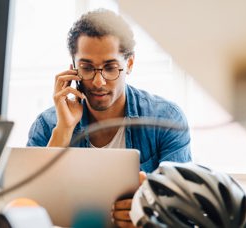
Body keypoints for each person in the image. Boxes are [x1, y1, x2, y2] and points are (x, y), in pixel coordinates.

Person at [27, 8, 192, 227]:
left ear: (129, 65)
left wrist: (148, 212)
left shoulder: (166, 120)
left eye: (110, 68)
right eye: (87, 68)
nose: (98, 82)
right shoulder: (47, 125)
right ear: (73, 67)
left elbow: (181, 211)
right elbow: (27, 209)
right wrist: (64, 130)